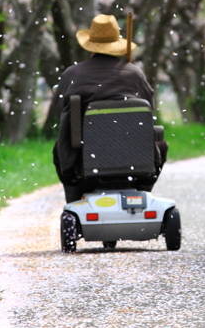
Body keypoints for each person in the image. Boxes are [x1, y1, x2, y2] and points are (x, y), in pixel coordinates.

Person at [52, 14, 167, 202]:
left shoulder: (72, 74)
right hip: (134, 153)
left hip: (85, 154)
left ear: (90, 44)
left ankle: (74, 194)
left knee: (60, 149)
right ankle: (142, 189)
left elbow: (59, 112)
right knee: (161, 145)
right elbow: (148, 111)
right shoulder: (134, 73)